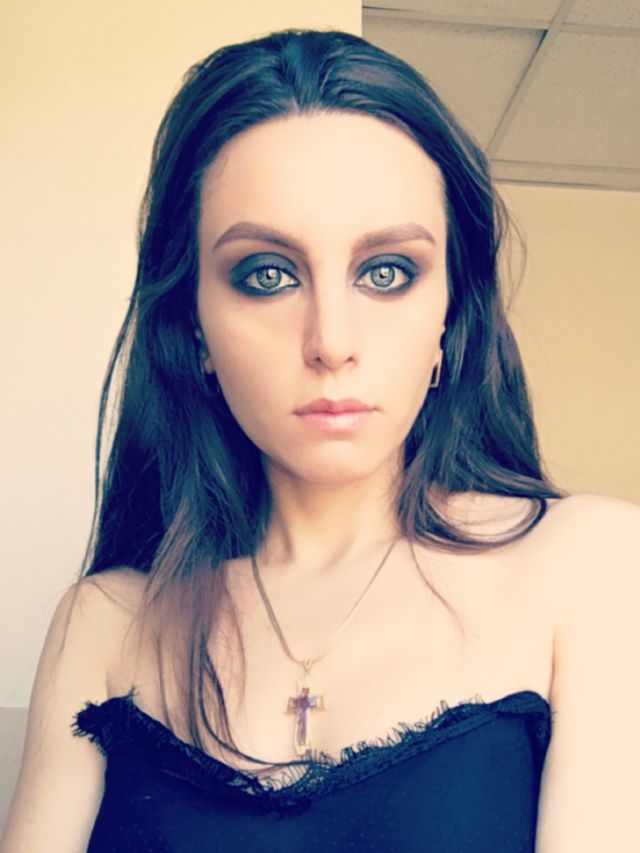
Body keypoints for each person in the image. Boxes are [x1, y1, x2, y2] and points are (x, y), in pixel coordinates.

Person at [2, 27, 638, 853]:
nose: (331, 341)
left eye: (387, 272)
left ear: (449, 317)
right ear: (194, 326)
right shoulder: (106, 624)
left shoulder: (590, 564)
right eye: (267, 274)